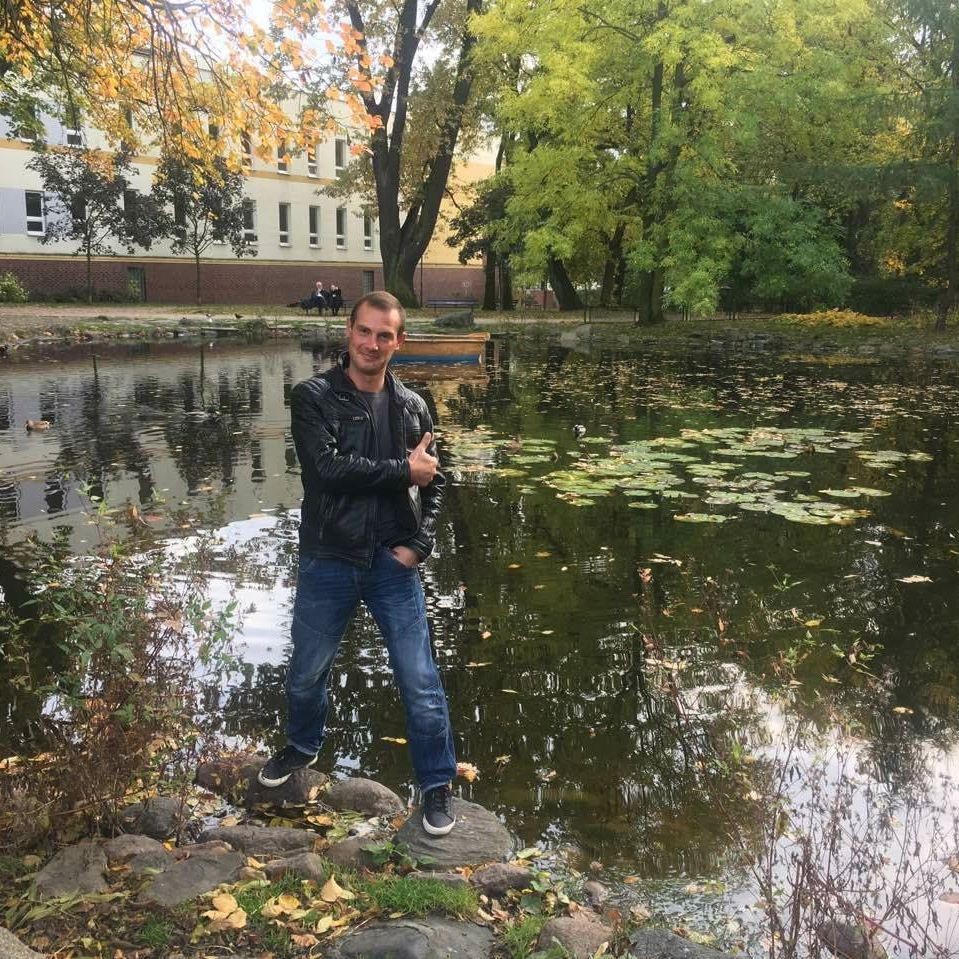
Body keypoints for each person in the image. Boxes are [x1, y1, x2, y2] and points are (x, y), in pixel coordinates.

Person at [258, 291, 457, 836]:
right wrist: (402, 472)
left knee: (420, 679)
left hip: (394, 563)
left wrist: (421, 545)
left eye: (384, 335)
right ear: (349, 332)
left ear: (399, 341)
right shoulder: (314, 397)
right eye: (364, 331)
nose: (372, 344)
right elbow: (327, 471)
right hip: (328, 557)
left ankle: (437, 784)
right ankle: (302, 745)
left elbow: (436, 481)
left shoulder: (414, 406)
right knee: (307, 672)